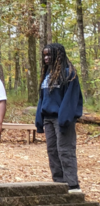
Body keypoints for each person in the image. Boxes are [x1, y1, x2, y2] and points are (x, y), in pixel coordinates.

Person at [35, 43, 83, 193]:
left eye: (49, 55)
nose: (46, 58)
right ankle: (59, 183)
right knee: (52, 151)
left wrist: (64, 120)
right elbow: (42, 99)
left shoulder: (69, 74)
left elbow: (71, 100)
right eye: (44, 55)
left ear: (58, 55)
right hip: (48, 119)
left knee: (65, 150)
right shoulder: (47, 75)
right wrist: (39, 119)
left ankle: (72, 185)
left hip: (62, 119)